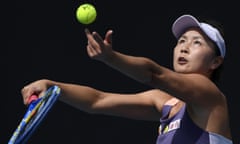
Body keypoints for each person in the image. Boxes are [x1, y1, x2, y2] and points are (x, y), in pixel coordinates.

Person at [21, 14, 232, 143]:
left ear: (215, 62)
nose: (184, 47)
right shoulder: (165, 103)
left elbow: (153, 73)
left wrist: (110, 57)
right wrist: (53, 87)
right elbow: (98, 101)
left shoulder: (210, 96)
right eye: (182, 41)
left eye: (197, 43)